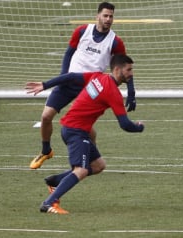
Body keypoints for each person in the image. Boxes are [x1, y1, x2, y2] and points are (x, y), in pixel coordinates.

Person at [25, 54, 144, 214]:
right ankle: (48, 203)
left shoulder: (97, 77)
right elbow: (125, 125)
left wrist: (45, 85)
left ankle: (55, 181)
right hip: (76, 131)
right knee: (80, 170)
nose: (131, 73)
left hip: (75, 129)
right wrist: (139, 127)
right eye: (129, 70)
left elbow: (71, 76)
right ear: (117, 69)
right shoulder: (113, 92)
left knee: (98, 165)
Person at [30, 2, 137, 170]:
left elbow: (124, 68)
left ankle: (92, 158)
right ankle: (46, 151)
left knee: (84, 127)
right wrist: (63, 76)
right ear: (98, 16)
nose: (108, 19)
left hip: (90, 87)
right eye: (105, 15)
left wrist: (131, 92)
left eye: (111, 16)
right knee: (45, 116)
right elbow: (68, 53)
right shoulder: (81, 31)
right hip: (70, 81)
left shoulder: (115, 42)